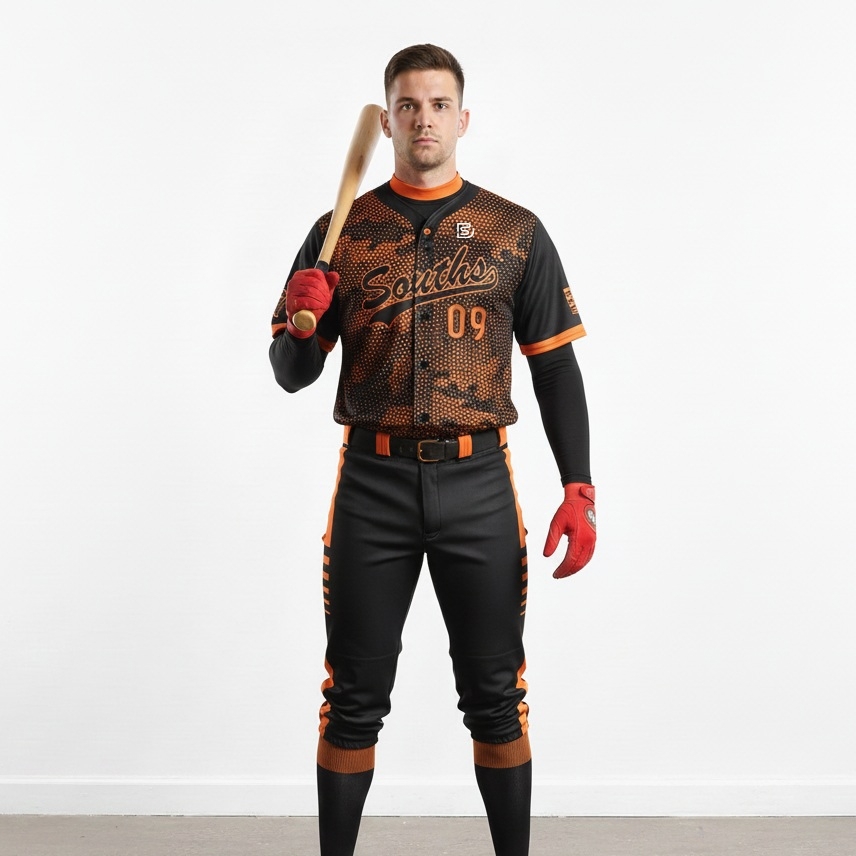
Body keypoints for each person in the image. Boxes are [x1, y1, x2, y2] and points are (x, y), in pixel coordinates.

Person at [269, 43, 596, 856]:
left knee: (496, 696)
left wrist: (579, 487)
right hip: (371, 484)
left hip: (479, 482)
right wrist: (302, 323)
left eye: (439, 105)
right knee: (352, 696)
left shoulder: (514, 231)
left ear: (463, 118)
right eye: (408, 106)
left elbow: (555, 368)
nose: (424, 119)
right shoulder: (339, 232)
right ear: (387, 121)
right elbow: (291, 375)